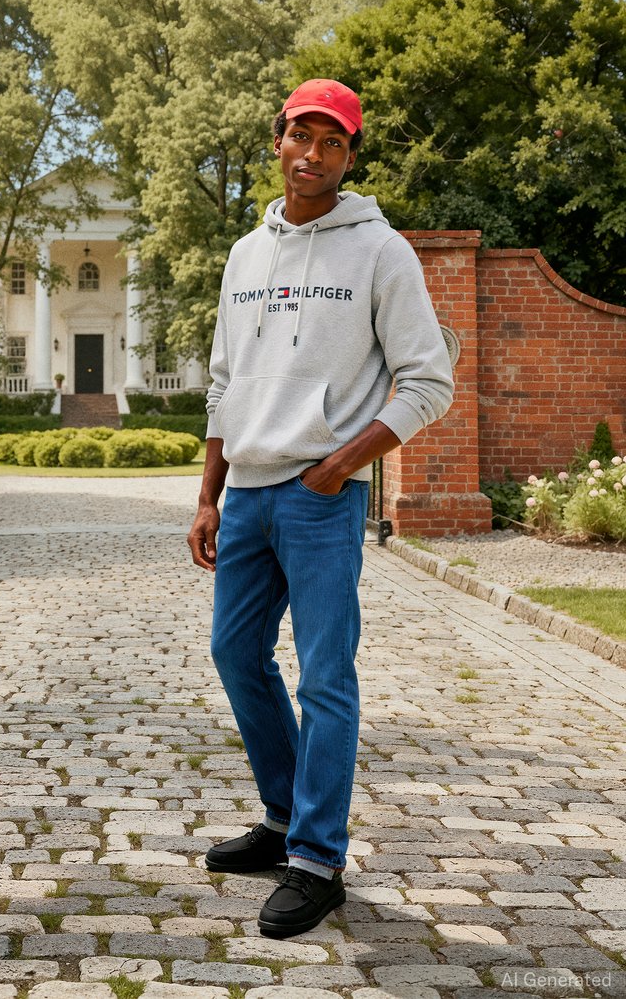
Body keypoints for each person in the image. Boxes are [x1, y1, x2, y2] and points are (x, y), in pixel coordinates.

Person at [187, 78, 454, 939]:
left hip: (320, 498)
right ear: (278, 141)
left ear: (348, 155)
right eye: (301, 135)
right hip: (249, 492)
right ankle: (283, 817)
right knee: (236, 655)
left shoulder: (382, 253)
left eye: (331, 142)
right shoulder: (244, 255)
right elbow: (225, 384)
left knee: (326, 677)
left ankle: (317, 859)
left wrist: (340, 467)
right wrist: (208, 492)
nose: (313, 153)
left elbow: (428, 381)